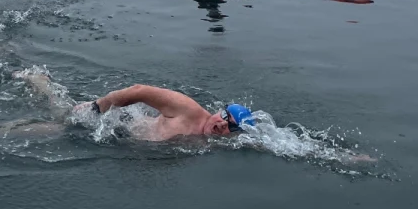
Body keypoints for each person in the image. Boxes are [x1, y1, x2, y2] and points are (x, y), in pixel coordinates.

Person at [15, 69, 254, 140]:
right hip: (110, 123)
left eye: (230, 126)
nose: (222, 124)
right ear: (218, 111)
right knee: (57, 123)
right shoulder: (189, 110)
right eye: (224, 116)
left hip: (121, 136)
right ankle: (38, 81)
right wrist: (98, 107)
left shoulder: (212, 144)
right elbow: (140, 91)